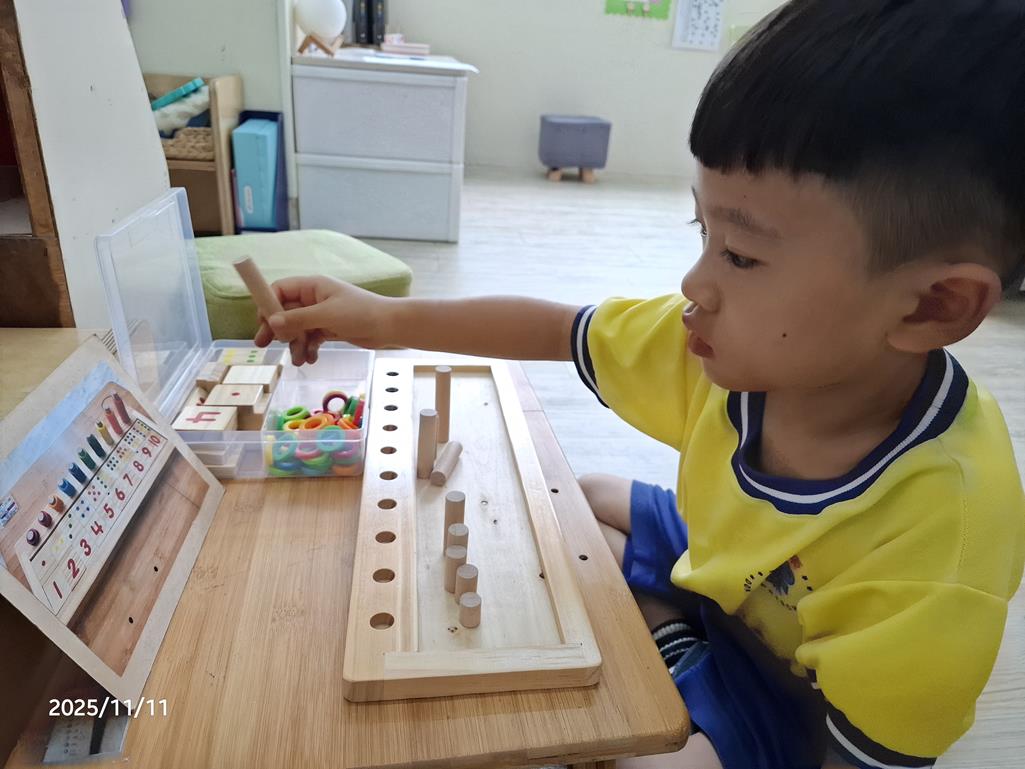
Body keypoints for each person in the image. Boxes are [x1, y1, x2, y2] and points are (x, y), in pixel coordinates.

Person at [253, 2, 1025, 767]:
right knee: (581, 496)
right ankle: (677, 641)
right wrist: (381, 317)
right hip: (727, 578)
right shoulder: (732, 346)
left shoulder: (943, 537)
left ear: (931, 306)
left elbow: (860, 755)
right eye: (702, 232)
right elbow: (556, 329)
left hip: (791, 698)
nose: (695, 282)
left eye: (741, 256)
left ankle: (678, 657)